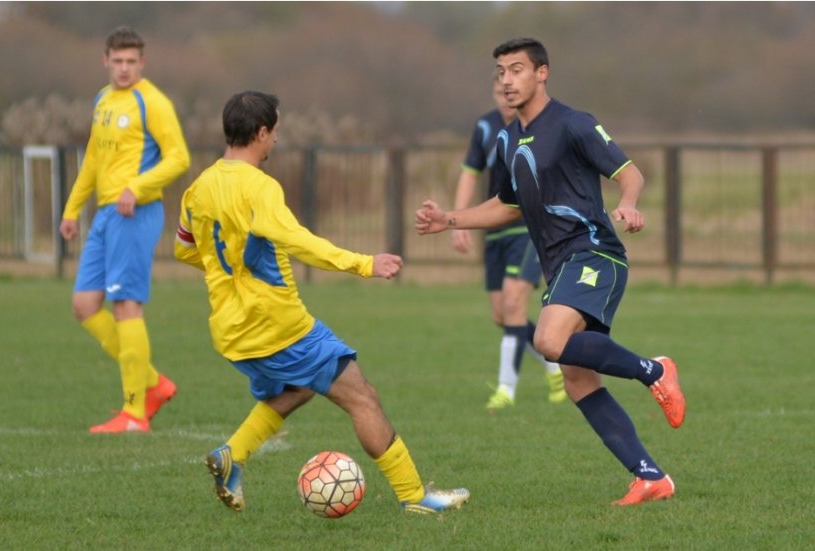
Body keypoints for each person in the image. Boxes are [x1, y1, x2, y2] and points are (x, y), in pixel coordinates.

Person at [416, 37, 686, 506]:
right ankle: (650, 476)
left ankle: (653, 370)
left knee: (547, 340)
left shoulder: (573, 124)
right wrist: (449, 220)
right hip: (559, 264)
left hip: (595, 253)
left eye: (517, 69)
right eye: (500, 72)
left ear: (542, 73)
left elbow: (629, 173)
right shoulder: (506, 140)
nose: (506, 80)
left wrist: (628, 204)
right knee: (578, 378)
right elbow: (507, 206)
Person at [174, 90, 469, 514]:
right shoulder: (259, 188)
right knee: (362, 395)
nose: (276, 139)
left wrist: (228, 273)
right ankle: (415, 498)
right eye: (275, 131)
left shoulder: (198, 188)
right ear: (261, 133)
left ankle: (232, 455)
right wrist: (363, 264)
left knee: (297, 389)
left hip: (230, 330)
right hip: (277, 325)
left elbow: (185, 248)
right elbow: (299, 242)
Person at [59, 26, 190, 433]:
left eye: (131, 61)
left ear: (142, 63)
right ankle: (151, 382)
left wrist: (137, 187)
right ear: (106, 61)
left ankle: (135, 413)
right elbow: (94, 161)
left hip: (136, 214)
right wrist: (71, 209)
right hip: (104, 216)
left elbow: (179, 158)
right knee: (83, 305)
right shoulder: (102, 99)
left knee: (126, 307)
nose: (123, 68)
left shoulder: (152, 102)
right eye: (117, 61)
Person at [452, 77, 565, 410]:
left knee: (515, 303)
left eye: (509, 90)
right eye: (499, 91)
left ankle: (506, 389)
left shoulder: (537, 126)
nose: (505, 96)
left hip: (529, 227)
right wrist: (459, 220)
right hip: (495, 227)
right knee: (503, 315)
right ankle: (554, 366)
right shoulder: (485, 127)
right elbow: (470, 172)